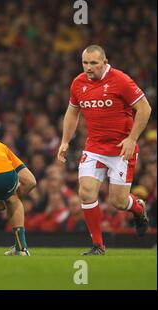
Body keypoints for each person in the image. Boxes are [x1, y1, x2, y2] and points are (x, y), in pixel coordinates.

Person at [57, 45, 152, 255]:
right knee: (86, 192)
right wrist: (65, 141)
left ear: (105, 62)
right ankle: (98, 246)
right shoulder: (78, 83)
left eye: (93, 63)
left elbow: (145, 108)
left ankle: (138, 208)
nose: (88, 68)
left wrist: (132, 139)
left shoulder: (121, 81)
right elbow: (73, 113)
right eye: (85, 63)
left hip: (121, 150)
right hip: (94, 148)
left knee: (118, 201)